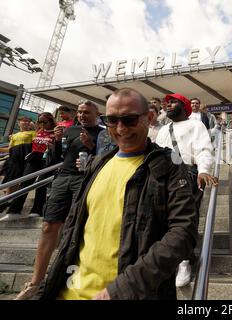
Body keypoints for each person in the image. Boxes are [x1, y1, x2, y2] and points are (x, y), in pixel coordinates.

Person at [34, 88, 198, 300]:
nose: (120, 129)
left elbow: (183, 233)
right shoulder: (97, 164)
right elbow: (73, 232)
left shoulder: (170, 165)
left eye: (129, 120)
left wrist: (119, 291)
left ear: (149, 117)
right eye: (111, 120)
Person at [15, 101, 104, 300]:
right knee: (48, 226)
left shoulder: (103, 133)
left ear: (97, 114)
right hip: (63, 177)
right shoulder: (69, 130)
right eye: (80, 112)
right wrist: (55, 143)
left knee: (75, 230)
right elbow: (55, 159)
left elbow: (106, 160)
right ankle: (35, 284)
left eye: (87, 112)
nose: (82, 115)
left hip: (85, 180)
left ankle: (68, 281)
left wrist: (91, 147)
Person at [155, 93, 217, 288]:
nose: (169, 105)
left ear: (184, 106)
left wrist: (203, 171)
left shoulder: (196, 125)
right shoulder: (164, 129)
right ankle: (168, 260)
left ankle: (184, 262)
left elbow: (204, 150)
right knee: (163, 219)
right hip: (164, 177)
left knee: (185, 219)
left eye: (173, 102)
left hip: (187, 174)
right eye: (167, 103)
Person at [0, 113, 56, 222]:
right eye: (40, 122)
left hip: (47, 159)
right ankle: (14, 211)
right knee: (25, 182)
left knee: (41, 185)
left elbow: (59, 148)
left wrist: (54, 145)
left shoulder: (56, 133)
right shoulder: (39, 132)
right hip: (34, 158)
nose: (42, 124)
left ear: (51, 121)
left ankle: (36, 210)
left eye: (45, 122)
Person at [0, 117, 35, 205]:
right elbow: (9, 149)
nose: (26, 122)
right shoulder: (14, 135)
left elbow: (35, 146)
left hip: (23, 159)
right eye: (24, 121)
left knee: (15, 178)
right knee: (7, 177)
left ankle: (8, 199)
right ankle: (8, 198)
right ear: (18, 123)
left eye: (28, 121)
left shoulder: (33, 133)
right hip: (12, 158)